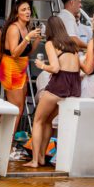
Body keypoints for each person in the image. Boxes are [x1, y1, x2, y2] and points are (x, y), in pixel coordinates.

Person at [24, 16, 80, 168]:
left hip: (59, 84)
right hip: (73, 86)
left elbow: (55, 68)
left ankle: (35, 160)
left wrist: (42, 65)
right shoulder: (72, 44)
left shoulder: (51, 43)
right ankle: (42, 157)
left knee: (37, 120)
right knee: (48, 121)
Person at [0, 0, 41, 132]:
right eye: (23, 9)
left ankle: (9, 144)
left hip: (21, 69)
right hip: (11, 68)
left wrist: (37, 39)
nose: (27, 12)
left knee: (19, 107)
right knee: (16, 108)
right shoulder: (13, 28)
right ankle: (8, 146)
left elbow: (28, 52)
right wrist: (28, 38)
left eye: (28, 9)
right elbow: (14, 53)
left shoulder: (26, 28)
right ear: (16, 13)